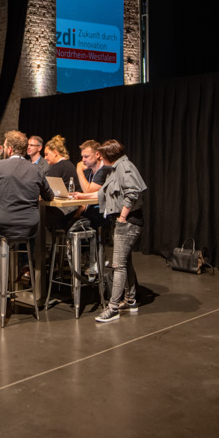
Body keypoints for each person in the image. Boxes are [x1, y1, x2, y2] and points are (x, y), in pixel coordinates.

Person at [0, 131, 53, 273]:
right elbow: (49, 196)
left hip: (0, 227)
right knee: (26, 223)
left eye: (4, 146)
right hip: (29, 228)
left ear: (9, 149)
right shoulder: (36, 170)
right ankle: (25, 266)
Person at [92, 139, 148, 324]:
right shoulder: (115, 168)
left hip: (128, 222)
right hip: (123, 221)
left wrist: (122, 218)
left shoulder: (124, 167)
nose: (100, 158)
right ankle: (130, 300)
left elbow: (133, 192)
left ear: (109, 155)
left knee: (118, 265)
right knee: (125, 261)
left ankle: (113, 308)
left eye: (102, 155)